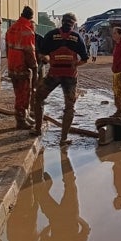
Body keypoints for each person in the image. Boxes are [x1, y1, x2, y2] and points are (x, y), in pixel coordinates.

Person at [32, 12, 88, 144]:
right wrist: (75, 64)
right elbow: (85, 59)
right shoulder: (77, 37)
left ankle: (38, 129)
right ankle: (64, 138)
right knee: (69, 107)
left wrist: (50, 60)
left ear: (62, 21)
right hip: (70, 76)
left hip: (54, 74)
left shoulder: (51, 35)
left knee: (38, 98)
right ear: (73, 24)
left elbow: (42, 55)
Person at [5, 6, 38, 129]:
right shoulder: (27, 31)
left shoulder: (11, 29)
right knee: (23, 94)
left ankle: (25, 115)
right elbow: (30, 51)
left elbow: (8, 48)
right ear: (31, 17)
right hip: (22, 66)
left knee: (18, 92)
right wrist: (35, 67)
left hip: (13, 65)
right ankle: (20, 120)